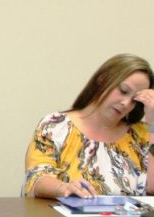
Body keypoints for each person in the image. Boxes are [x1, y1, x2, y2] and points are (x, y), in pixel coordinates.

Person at [24, 54, 154, 198]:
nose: (126, 103)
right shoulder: (55, 126)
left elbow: (152, 188)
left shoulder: (143, 134)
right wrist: (63, 188)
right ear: (102, 80)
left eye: (134, 100)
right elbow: (36, 179)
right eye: (123, 91)